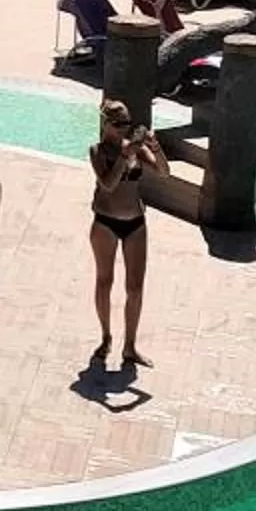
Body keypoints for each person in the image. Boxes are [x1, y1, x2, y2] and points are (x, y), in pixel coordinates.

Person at [87, 101, 167, 369]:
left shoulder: (136, 150)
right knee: (104, 281)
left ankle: (130, 346)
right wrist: (125, 155)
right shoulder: (98, 151)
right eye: (119, 124)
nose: (124, 129)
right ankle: (106, 337)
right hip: (105, 222)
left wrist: (154, 146)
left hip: (135, 222)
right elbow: (108, 184)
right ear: (106, 124)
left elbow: (164, 172)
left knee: (135, 287)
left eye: (127, 124)